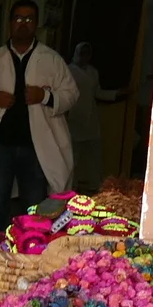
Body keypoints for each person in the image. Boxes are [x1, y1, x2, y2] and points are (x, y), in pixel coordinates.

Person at [0, 0, 81, 253]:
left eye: (29, 19)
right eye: (18, 19)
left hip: (36, 149)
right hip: (1, 146)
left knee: (36, 208)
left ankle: (32, 263)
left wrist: (46, 97)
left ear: (37, 24)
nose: (23, 24)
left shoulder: (51, 60)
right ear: (10, 23)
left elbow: (71, 94)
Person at [65, 42, 105, 193]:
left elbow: (98, 93)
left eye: (87, 54)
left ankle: (95, 187)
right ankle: (70, 188)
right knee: (72, 158)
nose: (84, 57)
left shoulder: (93, 72)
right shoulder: (69, 71)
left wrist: (117, 93)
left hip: (91, 119)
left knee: (93, 157)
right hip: (75, 119)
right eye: (82, 53)